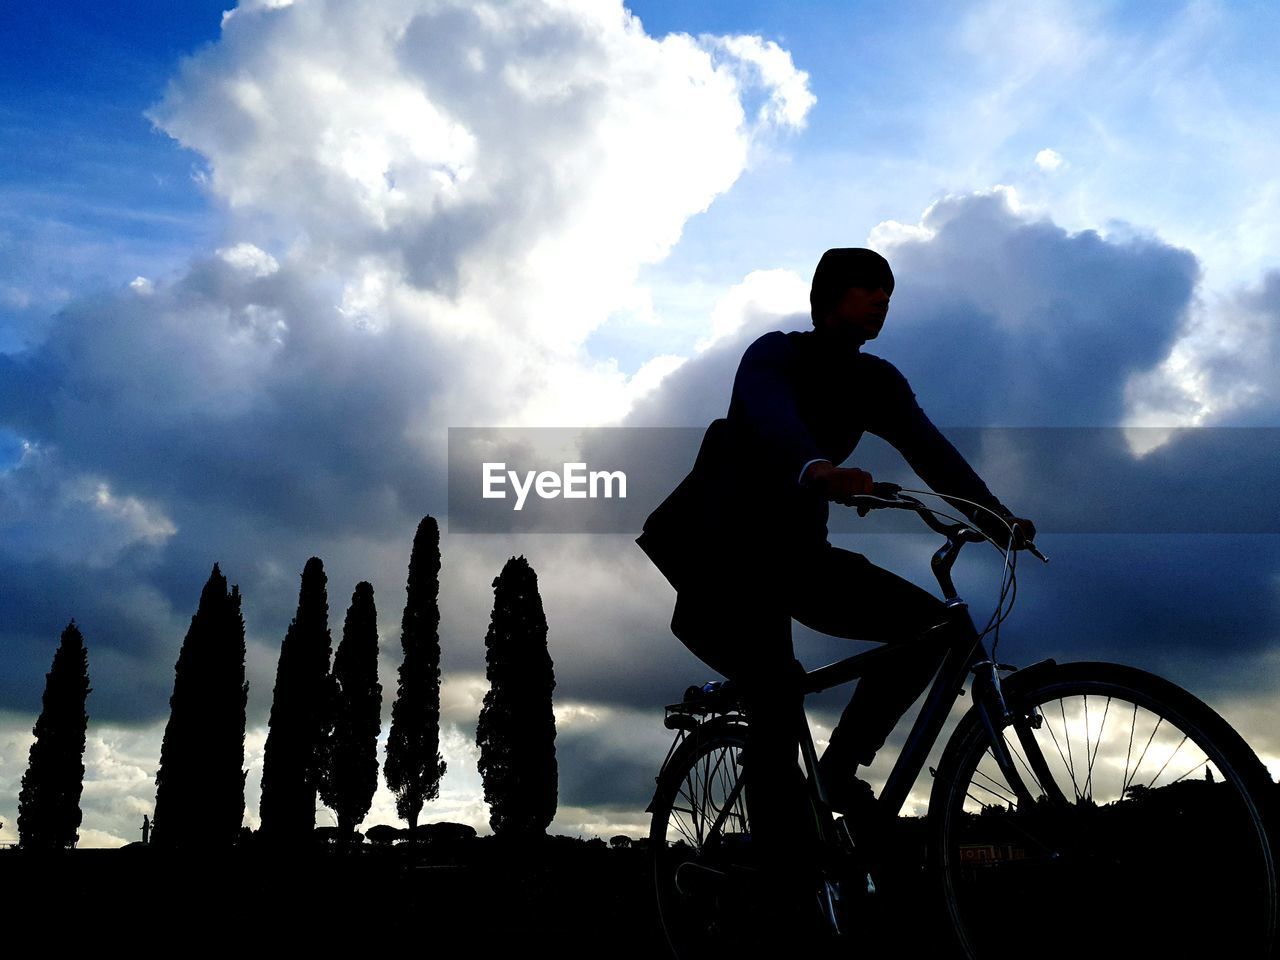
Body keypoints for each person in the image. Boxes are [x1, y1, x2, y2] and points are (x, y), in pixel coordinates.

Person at [637, 247, 1035, 931]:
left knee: (930, 627)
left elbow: (930, 450)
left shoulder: (877, 380)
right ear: (826, 297)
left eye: (887, 290)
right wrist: (814, 467)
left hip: (797, 557)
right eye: (865, 289)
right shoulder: (776, 356)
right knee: (773, 684)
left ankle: (839, 769)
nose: (881, 300)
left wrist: (995, 517)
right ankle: (777, 870)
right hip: (722, 559)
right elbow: (769, 414)